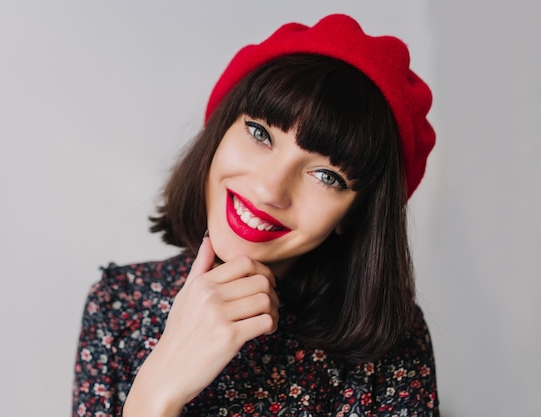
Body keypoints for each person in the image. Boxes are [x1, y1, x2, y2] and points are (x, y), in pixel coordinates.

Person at [72, 13, 438, 417]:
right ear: (219, 134)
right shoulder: (119, 305)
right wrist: (155, 394)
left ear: (354, 214)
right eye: (261, 134)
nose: (268, 190)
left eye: (326, 176)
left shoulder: (387, 346)